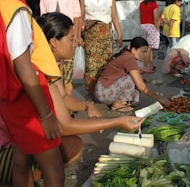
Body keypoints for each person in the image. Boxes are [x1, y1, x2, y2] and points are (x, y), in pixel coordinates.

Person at [0, 12, 144, 186]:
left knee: (66, 147)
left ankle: (32, 174)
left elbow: (63, 98)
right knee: (54, 170)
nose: (76, 43)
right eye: (70, 39)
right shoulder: (41, 73)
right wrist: (116, 121)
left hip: (18, 141)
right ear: (53, 42)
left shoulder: (49, 65)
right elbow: (65, 125)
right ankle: (33, 174)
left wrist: (87, 105)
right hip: (5, 151)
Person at [0, 0, 64, 186]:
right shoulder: (15, 9)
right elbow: (23, 64)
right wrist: (46, 115)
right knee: (54, 168)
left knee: (22, 160)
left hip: (8, 99)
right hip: (29, 99)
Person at [80, 0, 123, 102]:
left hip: (105, 37)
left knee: (106, 65)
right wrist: (78, 35)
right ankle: (91, 94)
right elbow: (80, 18)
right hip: (90, 36)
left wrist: (119, 34)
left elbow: (114, 17)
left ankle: (107, 91)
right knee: (91, 66)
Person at [39, 0, 82, 96]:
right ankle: (55, 101)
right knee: (52, 71)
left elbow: (77, 17)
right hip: (52, 39)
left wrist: (76, 35)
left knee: (68, 72)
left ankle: (68, 102)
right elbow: (43, 17)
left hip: (68, 38)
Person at [96, 37, 170, 111]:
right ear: (134, 50)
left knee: (137, 78)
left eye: (146, 52)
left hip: (105, 90)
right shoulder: (129, 59)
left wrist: (140, 70)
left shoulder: (127, 55)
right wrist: (159, 98)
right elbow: (141, 86)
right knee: (132, 79)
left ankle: (123, 102)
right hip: (104, 93)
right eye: (143, 52)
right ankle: (118, 104)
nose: (145, 55)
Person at [139, 0, 160, 73]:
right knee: (149, 49)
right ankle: (144, 67)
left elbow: (140, 16)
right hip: (151, 26)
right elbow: (155, 18)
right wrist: (157, 28)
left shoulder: (142, 4)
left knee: (148, 47)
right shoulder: (154, 5)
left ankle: (151, 65)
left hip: (143, 26)